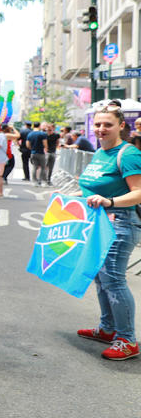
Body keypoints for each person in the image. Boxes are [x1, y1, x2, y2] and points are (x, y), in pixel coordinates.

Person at [77, 105, 141, 360]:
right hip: (100, 222)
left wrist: (110, 202)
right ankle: (108, 328)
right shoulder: (100, 153)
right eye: (98, 125)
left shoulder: (128, 154)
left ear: (121, 126)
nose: (101, 129)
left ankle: (127, 339)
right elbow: (95, 188)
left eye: (108, 125)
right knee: (101, 277)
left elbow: (138, 192)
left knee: (113, 278)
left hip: (121, 222)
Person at [27, 122, 48, 186]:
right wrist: (46, 149)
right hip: (41, 152)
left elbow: (27, 145)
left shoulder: (30, 134)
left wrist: (32, 149)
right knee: (43, 167)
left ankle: (34, 181)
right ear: (39, 126)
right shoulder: (42, 134)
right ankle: (42, 181)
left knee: (35, 167)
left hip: (33, 153)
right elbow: (45, 143)